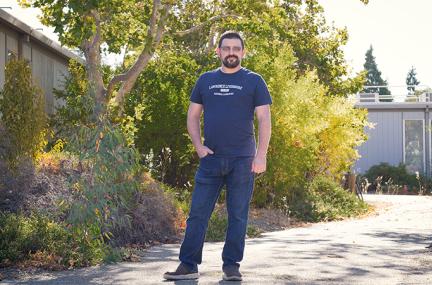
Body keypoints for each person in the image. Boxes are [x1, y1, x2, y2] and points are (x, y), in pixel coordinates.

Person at [163, 31, 272, 282]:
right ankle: (188, 264)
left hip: (243, 160)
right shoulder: (205, 80)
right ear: (218, 51)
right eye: (226, 48)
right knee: (198, 213)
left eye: (236, 48)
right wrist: (198, 146)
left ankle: (231, 265)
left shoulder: (254, 81)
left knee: (237, 215)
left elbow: (264, 118)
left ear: (243, 52)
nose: (231, 52)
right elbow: (192, 116)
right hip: (210, 159)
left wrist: (261, 155)